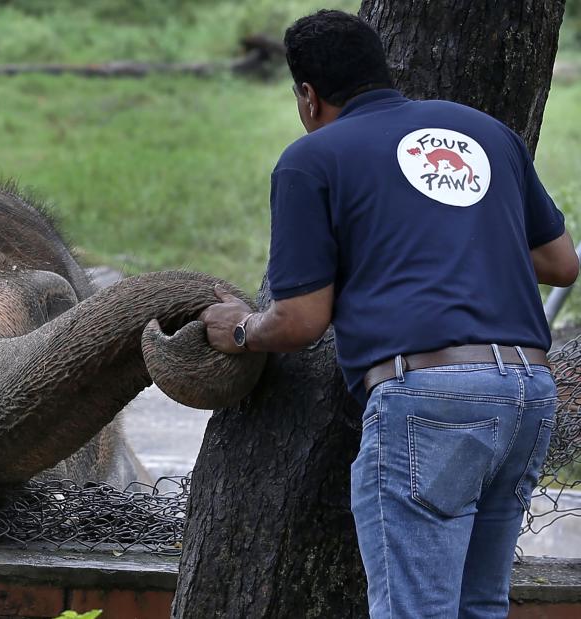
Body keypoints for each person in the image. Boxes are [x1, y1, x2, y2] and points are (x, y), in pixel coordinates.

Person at [199, 9, 579, 619]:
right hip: (528, 392)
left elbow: (299, 322)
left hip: (430, 399)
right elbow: (561, 263)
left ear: (307, 94)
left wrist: (240, 328)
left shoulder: (312, 159)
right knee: (480, 606)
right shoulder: (483, 132)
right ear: (383, 70)